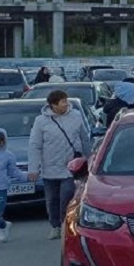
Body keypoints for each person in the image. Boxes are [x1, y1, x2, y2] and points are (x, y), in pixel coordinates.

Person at [28, 90, 92, 239]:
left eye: (66, 100)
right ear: (53, 105)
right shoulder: (41, 121)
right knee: (52, 200)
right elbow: (35, 145)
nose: (66, 104)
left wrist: (90, 160)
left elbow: (85, 139)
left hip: (71, 167)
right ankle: (55, 226)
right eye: (62, 101)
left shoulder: (75, 116)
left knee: (67, 196)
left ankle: (65, 224)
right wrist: (33, 168)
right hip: (50, 167)